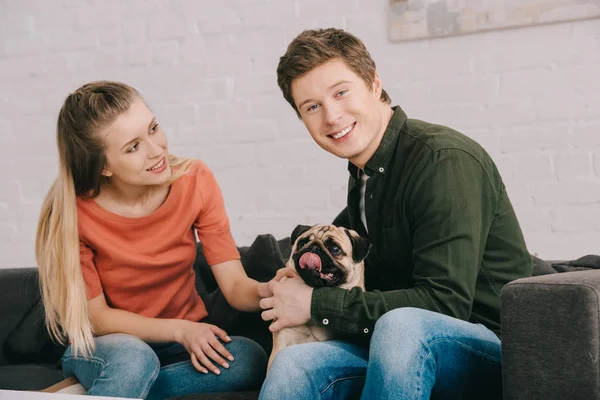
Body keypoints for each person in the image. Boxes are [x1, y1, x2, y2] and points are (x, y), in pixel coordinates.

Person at [258, 28, 532, 399]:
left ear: (374, 85)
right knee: (295, 363)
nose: (331, 115)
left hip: (490, 349)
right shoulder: (366, 177)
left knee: (400, 326)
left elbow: (445, 304)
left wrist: (315, 304)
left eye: (340, 92)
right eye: (312, 106)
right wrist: (292, 282)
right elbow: (340, 258)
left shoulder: (442, 160)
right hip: (400, 349)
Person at [36, 81, 270, 399]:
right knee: (134, 360)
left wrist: (268, 291)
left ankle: (93, 390)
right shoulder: (73, 214)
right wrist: (180, 329)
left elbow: (235, 288)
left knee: (249, 358)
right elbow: (98, 318)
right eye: (133, 147)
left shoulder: (195, 180)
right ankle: (117, 378)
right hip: (110, 345)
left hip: (180, 344)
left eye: (153, 128)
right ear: (103, 167)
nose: (157, 149)